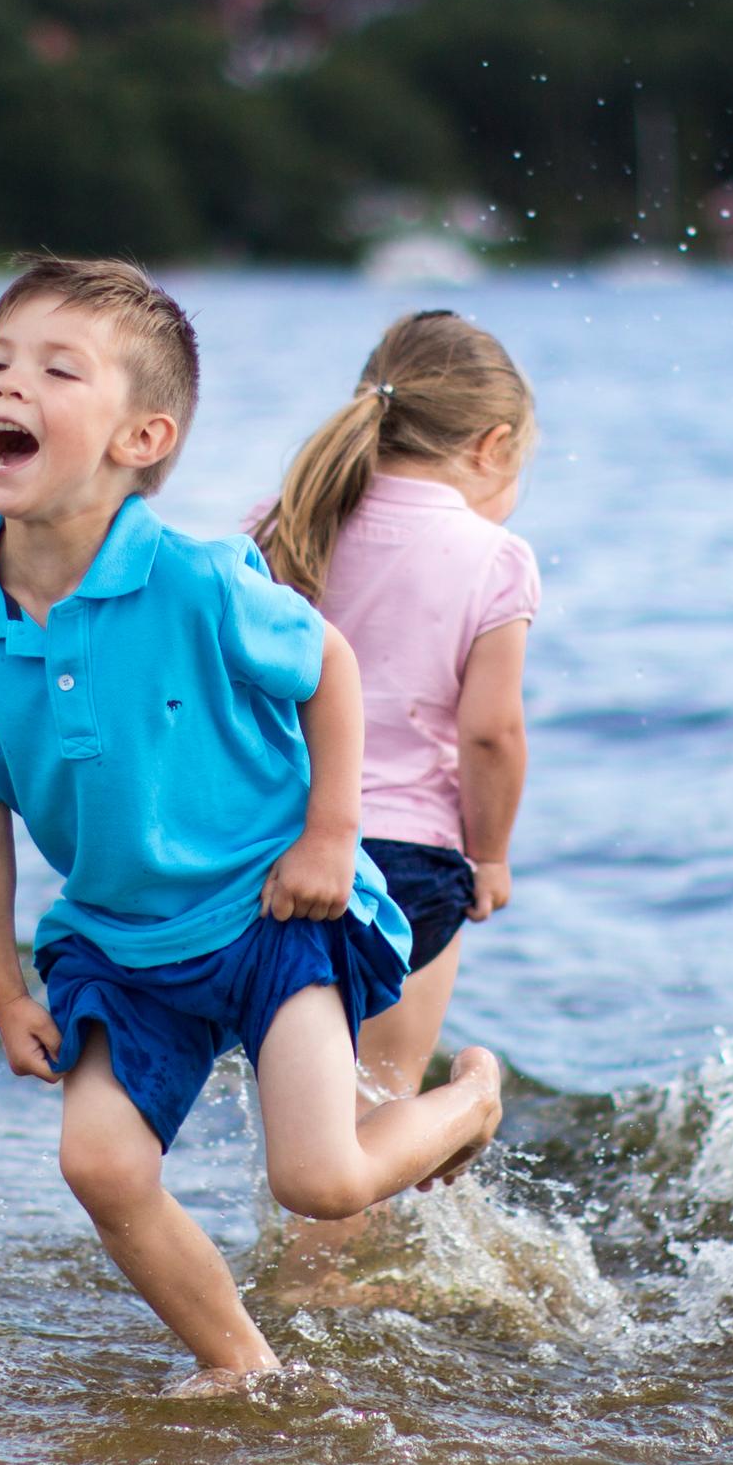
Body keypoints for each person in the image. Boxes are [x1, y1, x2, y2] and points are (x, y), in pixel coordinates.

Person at [0, 254, 506, 1392]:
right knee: (101, 1166)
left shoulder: (198, 578)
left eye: (55, 369)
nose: (8, 385)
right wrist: (1, 989)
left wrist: (334, 835)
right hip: (120, 940)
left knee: (319, 1180)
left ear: (142, 437)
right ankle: (243, 1365)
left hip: (269, 908)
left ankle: (470, 1096)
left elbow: (328, 662)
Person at [249, 311, 538, 1099]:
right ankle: (472, 1107)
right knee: (383, 1094)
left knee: (299, 1113)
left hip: (272, 855)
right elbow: (491, 735)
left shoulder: (282, 524)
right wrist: (492, 856)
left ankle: (305, 1230)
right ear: (493, 446)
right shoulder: (495, 558)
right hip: (411, 858)